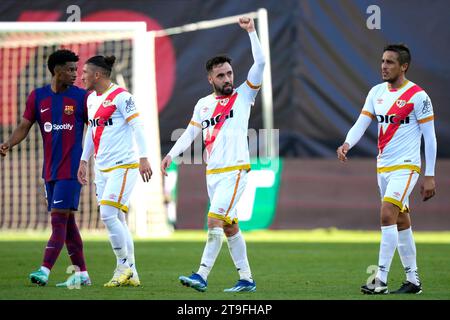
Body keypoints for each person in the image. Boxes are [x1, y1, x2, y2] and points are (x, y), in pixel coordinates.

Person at [161, 16, 265, 293]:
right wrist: (170, 154)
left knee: (214, 221)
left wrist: (252, 32)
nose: (228, 78)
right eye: (221, 75)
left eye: (230, 73)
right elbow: (189, 134)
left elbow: (261, 64)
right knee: (230, 227)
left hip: (235, 170)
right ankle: (246, 279)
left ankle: (201, 274)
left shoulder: (244, 96)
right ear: (210, 79)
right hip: (213, 174)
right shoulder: (203, 105)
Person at [336, 44, 437, 294]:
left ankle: (379, 279)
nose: (384, 66)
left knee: (386, 214)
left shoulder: (418, 96)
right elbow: (362, 122)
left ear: (404, 66)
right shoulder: (376, 92)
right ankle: (413, 281)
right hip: (383, 166)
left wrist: (430, 175)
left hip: (407, 166)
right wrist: (348, 142)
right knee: (401, 221)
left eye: (390, 62)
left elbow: (430, 137)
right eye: (382, 61)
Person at [0, 49, 91, 287]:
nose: (75, 74)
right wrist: (8, 143)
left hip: (71, 170)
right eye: (70, 69)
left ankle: (44, 270)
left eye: (76, 69)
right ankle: (82, 274)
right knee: (68, 225)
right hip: (49, 171)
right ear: (56, 70)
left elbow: (97, 128)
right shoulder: (38, 97)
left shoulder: (82, 98)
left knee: (58, 221)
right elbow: (24, 125)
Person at [78, 55, 152, 287]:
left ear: (97, 75)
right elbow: (92, 132)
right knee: (118, 218)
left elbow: (137, 126)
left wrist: (143, 158)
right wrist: (83, 160)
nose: (82, 77)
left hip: (124, 165)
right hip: (102, 168)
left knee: (108, 215)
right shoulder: (91, 100)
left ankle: (123, 267)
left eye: (85, 73)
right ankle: (134, 273)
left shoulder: (122, 97)